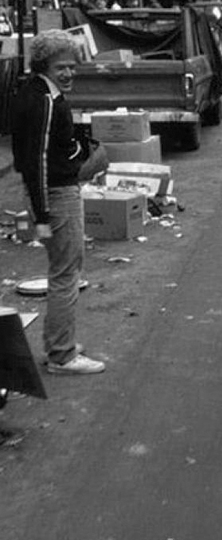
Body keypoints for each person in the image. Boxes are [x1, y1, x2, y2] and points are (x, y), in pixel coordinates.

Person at [11, 30, 105, 375]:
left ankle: (58, 345)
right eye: (61, 67)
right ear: (44, 65)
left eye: (72, 67)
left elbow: (46, 152)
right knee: (66, 274)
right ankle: (62, 355)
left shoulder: (32, 92)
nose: (68, 74)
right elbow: (37, 159)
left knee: (61, 272)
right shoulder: (45, 102)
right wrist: (41, 214)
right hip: (57, 195)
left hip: (50, 193)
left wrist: (78, 150)